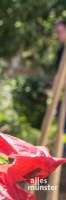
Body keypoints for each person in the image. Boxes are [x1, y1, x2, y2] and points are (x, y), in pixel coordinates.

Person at [54, 20, 66, 156]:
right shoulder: (60, 52)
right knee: (63, 126)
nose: (58, 35)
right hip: (62, 94)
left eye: (60, 32)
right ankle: (63, 150)